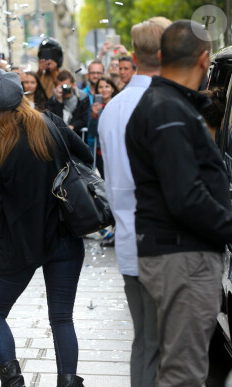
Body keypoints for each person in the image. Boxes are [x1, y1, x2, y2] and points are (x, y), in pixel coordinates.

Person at [126, 20, 230, 387]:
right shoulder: (167, 110)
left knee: (177, 368)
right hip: (181, 256)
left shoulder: (167, 104)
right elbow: (185, 197)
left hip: (174, 254)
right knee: (184, 373)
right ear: (204, 59)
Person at [0, 69, 92, 387]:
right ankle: (68, 382)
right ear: (21, 97)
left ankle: (13, 380)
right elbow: (85, 159)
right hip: (64, 233)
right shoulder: (51, 122)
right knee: (62, 317)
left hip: (21, 241)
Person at [98, 17, 171, 387]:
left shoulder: (114, 108)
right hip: (166, 247)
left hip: (130, 240)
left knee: (145, 341)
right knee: (165, 348)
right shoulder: (166, 104)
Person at [88, 75, 119, 178]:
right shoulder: (94, 107)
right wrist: (94, 116)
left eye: (107, 86)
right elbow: (92, 132)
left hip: (116, 150)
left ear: (112, 89)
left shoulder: (119, 105)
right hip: (101, 151)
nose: (104, 90)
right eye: (100, 87)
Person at [46, 69, 90, 134]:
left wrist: (73, 126)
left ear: (74, 85)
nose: (64, 89)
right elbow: (55, 121)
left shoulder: (82, 98)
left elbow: (84, 119)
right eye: (61, 86)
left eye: (66, 86)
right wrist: (59, 101)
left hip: (77, 136)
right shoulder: (53, 100)